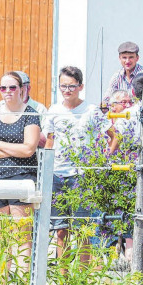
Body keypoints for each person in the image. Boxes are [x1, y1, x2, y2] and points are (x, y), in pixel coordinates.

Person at [0, 71, 43, 278]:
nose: (7, 92)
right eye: (3, 88)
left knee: (22, 237)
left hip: (22, 178)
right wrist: (12, 147)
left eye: (12, 87)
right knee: (1, 237)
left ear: (22, 89)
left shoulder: (30, 114)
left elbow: (28, 150)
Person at [45, 66, 98, 248]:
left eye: (71, 86)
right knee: (61, 229)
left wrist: (99, 161)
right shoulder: (53, 110)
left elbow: (112, 136)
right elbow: (49, 141)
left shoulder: (91, 110)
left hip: (82, 174)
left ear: (80, 87)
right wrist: (45, 168)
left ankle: (82, 275)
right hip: (58, 173)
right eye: (63, 86)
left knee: (83, 229)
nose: (67, 91)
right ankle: (63, 275)